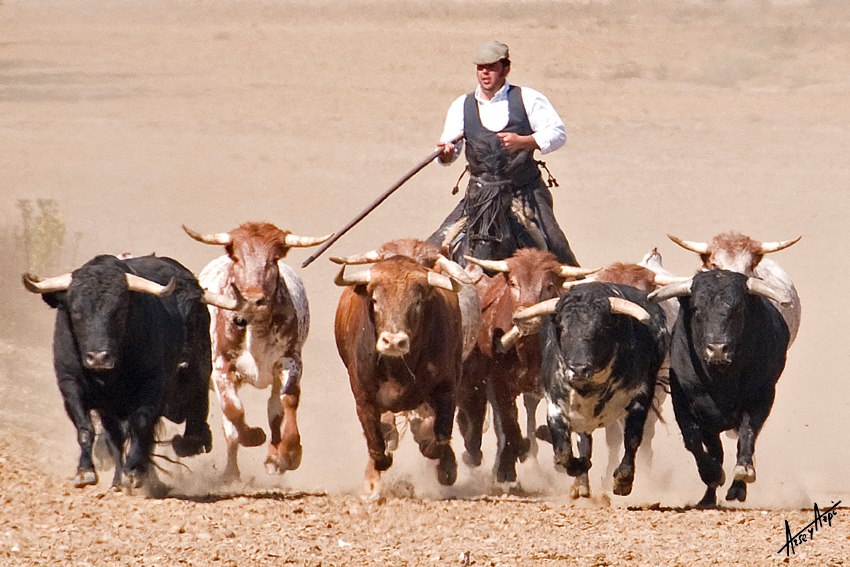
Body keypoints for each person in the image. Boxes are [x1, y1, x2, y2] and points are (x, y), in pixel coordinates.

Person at [427, 40, 579, 266]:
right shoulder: (463, 104)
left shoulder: (527, 98)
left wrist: (524, 141)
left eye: (491, 67)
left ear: (505, 69)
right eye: (480, 68)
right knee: (432, 248)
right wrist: (445, 153)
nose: (485, 73)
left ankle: (575, 293)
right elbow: (450, 151)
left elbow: (558, 133)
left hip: (523, 192)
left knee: (557, 247)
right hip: (480, 195)